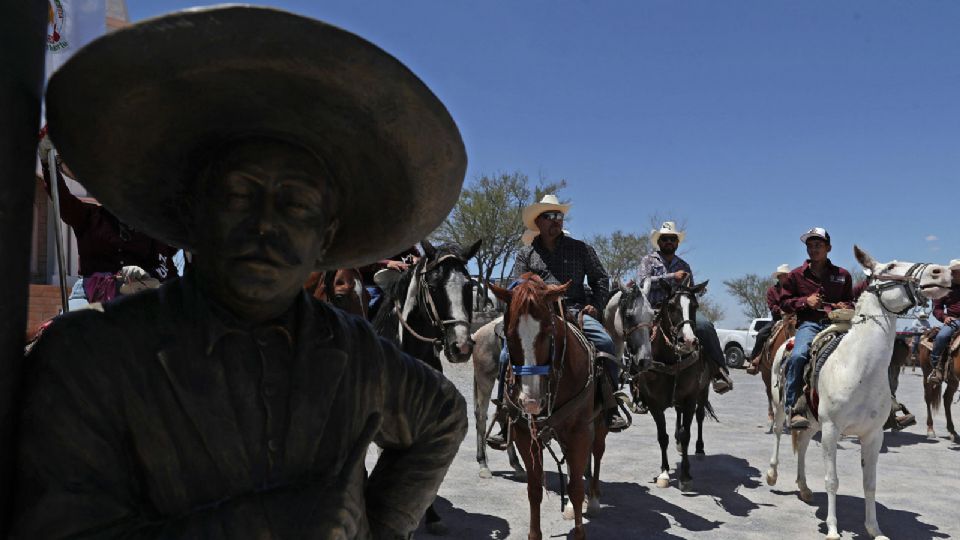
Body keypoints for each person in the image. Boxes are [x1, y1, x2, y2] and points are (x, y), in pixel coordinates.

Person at [15, 7, 468, 538]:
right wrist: (270, 523)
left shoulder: (359, 356)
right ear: (193, 210)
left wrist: (379, 528)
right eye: (237, 195)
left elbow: (443, 416)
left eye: (296, 205)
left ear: (325, 235)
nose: (265, 226)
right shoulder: (90, 358)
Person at [495, 194, 628, 436]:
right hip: (538, 315)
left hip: (575, 310)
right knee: (505, 354)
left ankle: (611, 406)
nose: (556, 221)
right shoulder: (526, 253)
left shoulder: (581, 249)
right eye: (550, 216)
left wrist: (596, 306)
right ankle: (505, 414)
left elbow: (600, 279)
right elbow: (517, 286)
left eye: (559, 216)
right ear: (539, 221)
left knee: (605, 343)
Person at [37, 137, 179, 305]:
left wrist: (146, 276)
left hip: (138, 296)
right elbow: (63, 202)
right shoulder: (89, 216)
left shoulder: (151, 226)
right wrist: (48, 164)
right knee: (73, 325)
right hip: (91, 296)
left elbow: (166, 268)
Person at [635, 221, 734, 394]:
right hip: (655, 308)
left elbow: (690, 291)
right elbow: (644, 282)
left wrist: (699, 291)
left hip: (680, 311)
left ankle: (719, 370)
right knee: (636, 332)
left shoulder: (685, 265)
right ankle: (636, 381)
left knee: (705, 326)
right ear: (659, 242)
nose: (668, 242)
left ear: (677, 243)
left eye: (672, 239)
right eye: (665, 239)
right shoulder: (648, 260)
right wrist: (672, 276)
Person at [778, 227, 853, 429]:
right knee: (798, 356)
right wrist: (804, 302)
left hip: (838, 324)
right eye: (810, 246)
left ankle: (887, 405)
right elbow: (783, 303)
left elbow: (851, 302)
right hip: (810, 324)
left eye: (818, 245)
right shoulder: (795, 276)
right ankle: (793, 408)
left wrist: (845, 305)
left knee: (867, 351)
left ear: (828, 248)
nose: (813, 249)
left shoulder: (843, 275)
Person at [746, 264, 791, 375]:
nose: (784, 278)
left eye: (786, 275)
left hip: (793, 318)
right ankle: (755, 359)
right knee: (761, 334)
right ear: (778, 277)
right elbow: (772, 306)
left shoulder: (793, 290)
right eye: (782, 276)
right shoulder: (772, 291)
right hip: (778, 319)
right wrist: (781, 311)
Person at [927, 258, 960, 385]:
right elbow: (937, 309)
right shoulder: (943, 289)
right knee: (942, 336)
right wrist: (945, 317)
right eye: (957, 271)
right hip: (954, 320)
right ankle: (936, 368)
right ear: (952, 273)